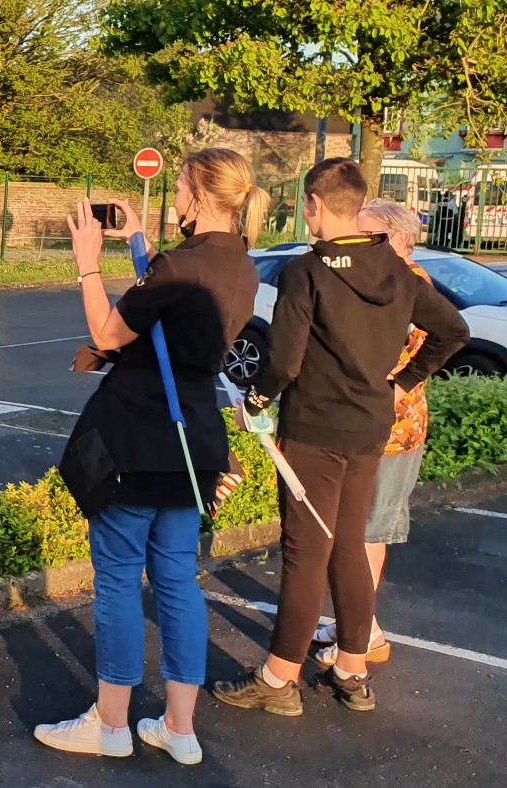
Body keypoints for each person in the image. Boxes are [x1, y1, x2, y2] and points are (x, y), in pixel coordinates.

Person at [214, 159, 467, 715]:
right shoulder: (395, 268)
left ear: (315, 205)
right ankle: (353, 671)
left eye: (307, 205)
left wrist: (254, 402)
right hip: (370, 427)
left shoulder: (309, 271)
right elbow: (454, 329)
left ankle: (279, 679)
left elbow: (282, 359)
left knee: (307, 552)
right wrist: (403, 380)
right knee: (349, 545)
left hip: (315, 430)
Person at [36, 148, 264, 766]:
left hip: (137, 439)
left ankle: (110, 723)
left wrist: (88, 266)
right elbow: (171, 320)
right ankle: (179, 728)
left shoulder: (178, 265)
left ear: (193, 193)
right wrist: (137, 240)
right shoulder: (241, 267)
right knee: (177, 582)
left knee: (115, 581)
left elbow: (111, 334)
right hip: (193, 442)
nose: (176, 199)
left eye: (181, 187)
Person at [307, 199, 441, 666]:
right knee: (354, 529)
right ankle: (352, 623)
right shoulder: (382, 279)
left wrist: (399, 385)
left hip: (393, 431)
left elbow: (439, 340)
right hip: (367, 425)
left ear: (400, 240)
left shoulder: (410, 284)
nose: (361, 244)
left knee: (369, 531)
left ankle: (366, 634)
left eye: (371, 236)